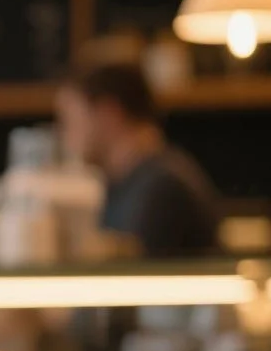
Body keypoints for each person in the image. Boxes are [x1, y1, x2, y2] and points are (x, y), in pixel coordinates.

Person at [55, 62, 220, 257]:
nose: (64, 136)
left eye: (70, 120)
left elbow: (142, 278)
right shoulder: (128, 182)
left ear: (109, 113)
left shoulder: (162, 188)